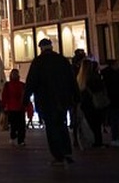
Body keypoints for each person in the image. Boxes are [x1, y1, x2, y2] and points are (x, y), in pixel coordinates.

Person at [23, 38, 80, 166]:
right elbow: (72, 79)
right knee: (62, 124)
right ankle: (67, 151)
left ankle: (58, 155)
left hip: (46, 100)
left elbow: (31, 82)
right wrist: (76, 96)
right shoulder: (62, 60)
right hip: (63, 100)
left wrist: (25, 99)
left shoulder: (38, 62)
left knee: (51, 127)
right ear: (51, 47)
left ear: (41, 48)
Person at [76, 58, 106, 148]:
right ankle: (98, 141)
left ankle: (90, 141)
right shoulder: (94, 78)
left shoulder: (80, 79)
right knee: (97, 123)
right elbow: (100, 88)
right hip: (95, 102)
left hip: (85, 103)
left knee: (89, 123)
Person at [0, 69, 27, 146]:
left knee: (21, 125)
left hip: (20, 108)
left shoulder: (22, 85)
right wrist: (3, 105)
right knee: (13, 125)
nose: (14, 75)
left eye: (16, 74)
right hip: (11, 108)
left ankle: (21, 140)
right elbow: (4, 96)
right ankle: (14, 136)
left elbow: (25, 96)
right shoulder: (7, 85)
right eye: (13, 74)